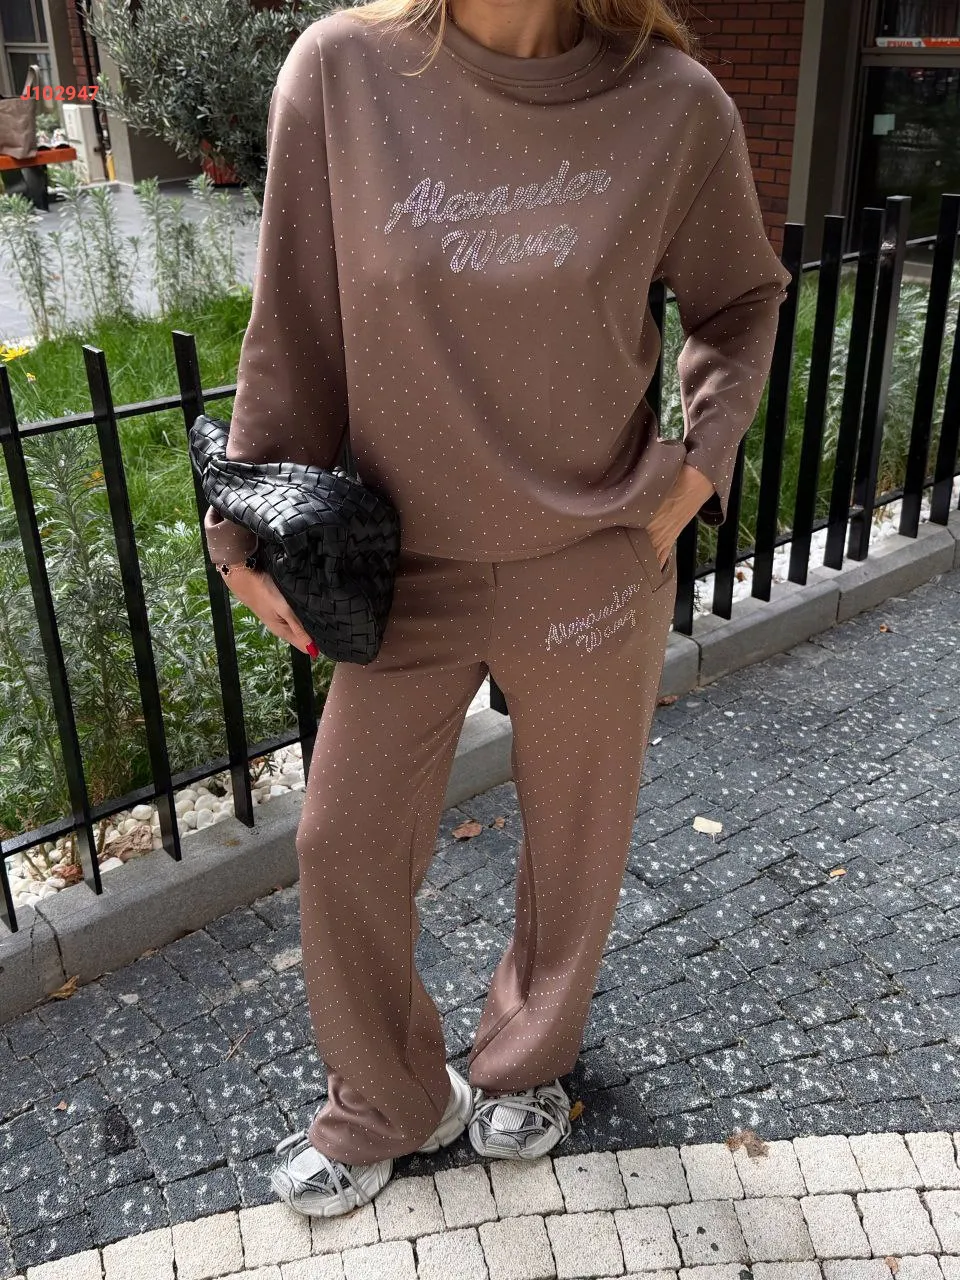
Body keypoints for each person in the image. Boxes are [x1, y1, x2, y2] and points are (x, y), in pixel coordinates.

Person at [204, 0, 792, 1219]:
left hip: (593, 558)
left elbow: (741, 298)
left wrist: (698, 465)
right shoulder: (343, 75)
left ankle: (529, 1060)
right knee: (342, 843)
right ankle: (388, 1098)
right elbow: (294, 325)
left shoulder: (673, 106)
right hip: (403, 566)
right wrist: (243, 516)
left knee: (576, 839)